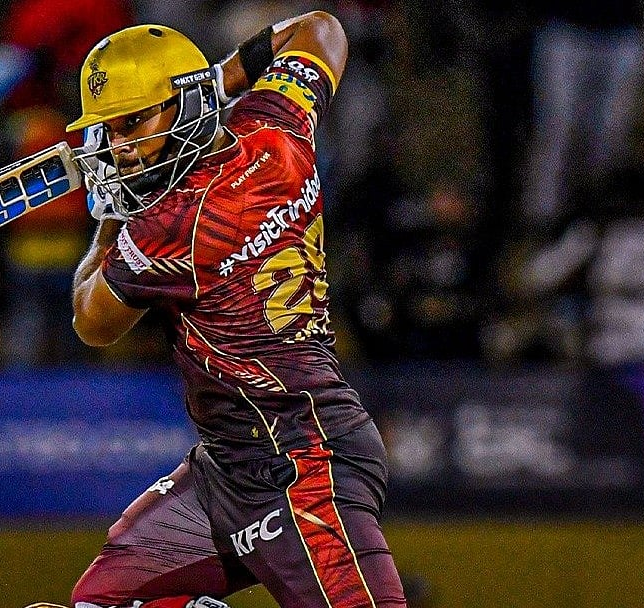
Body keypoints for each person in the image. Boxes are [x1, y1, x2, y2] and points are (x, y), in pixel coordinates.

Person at [30, 11, 407, 608]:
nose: (122, 149)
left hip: (303, 466)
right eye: (110, 131)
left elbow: (91, 321)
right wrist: (223, 79)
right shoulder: (275, 124)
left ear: (185, 106)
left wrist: (110, 215)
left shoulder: (170, 225)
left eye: (134, 123)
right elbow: (320, 29)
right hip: (226, 469)